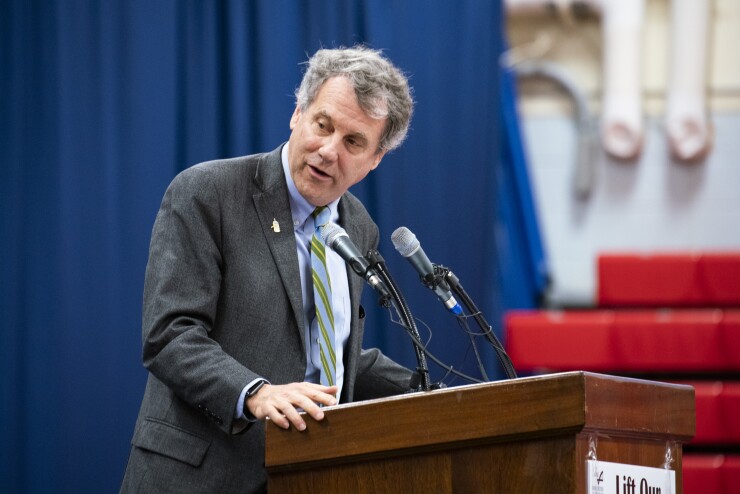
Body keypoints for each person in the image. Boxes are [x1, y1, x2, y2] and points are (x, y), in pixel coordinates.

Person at [120, 46, 416, 493]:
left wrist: (436, 390)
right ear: (298, 114)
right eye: (323, 125)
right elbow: (170, 335)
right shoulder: (208, 193)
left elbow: (329, 353)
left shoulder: (358, 227)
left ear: (375, 159)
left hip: (306, 476)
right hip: (199, 476)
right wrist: (257, 392)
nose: (329, 150)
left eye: (354, 142)